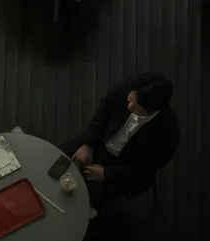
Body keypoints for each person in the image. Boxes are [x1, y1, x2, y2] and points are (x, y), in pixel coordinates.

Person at [60, 73, 180, 208]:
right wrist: (88, 144)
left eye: (135, 106)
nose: (128, 106)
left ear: (151, 110)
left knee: (81, 198)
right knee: (57, 157)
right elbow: (103, 113)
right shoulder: (127, 88)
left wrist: (107, 174)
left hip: (121, 166)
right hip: (99, 141)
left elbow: (144, 171)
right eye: (130, 99)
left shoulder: (168, 135)